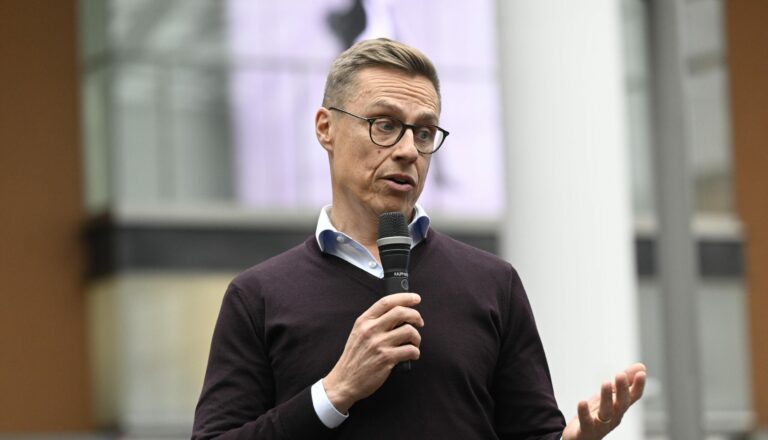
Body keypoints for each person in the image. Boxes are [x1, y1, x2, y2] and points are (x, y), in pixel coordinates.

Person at [192, 38, 645, 440]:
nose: (408, 150)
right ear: (326, 128)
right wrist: (334, 392)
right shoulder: (258, 296)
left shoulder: (493, 284)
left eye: (424, 132)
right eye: (385, 125)